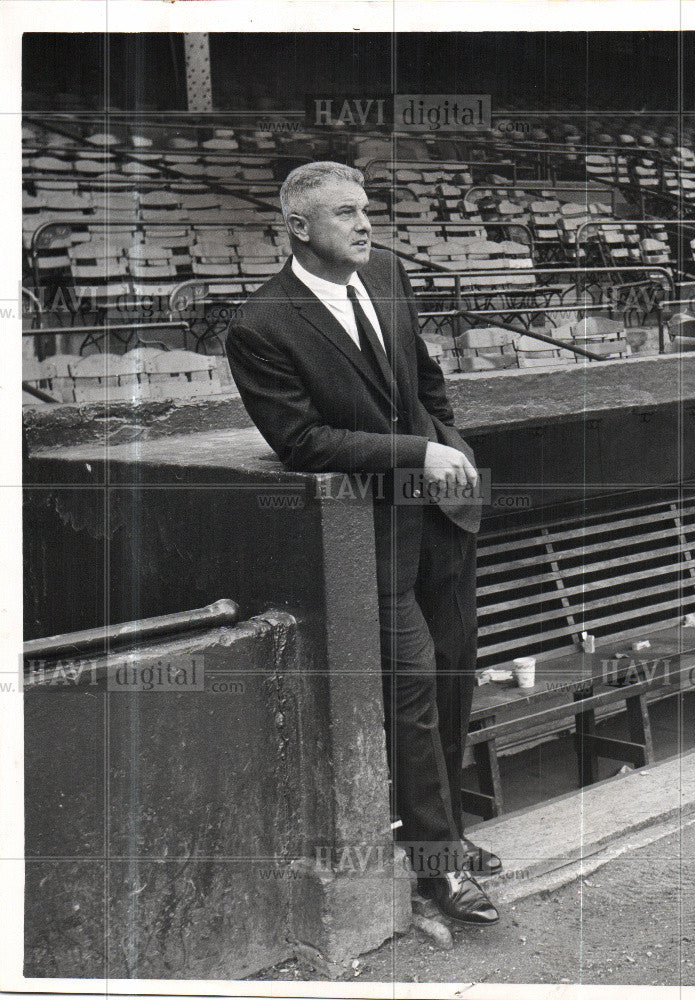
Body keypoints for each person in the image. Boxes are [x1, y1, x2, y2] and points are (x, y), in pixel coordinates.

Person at [225, 161, 500, 924]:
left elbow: (424, 378)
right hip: (372, 538)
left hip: (440, 518)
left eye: (365, 210)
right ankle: (435, 869)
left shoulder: (384, 272)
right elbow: (302, 440)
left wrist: (450, 446)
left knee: (451, 680)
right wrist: (416, 454)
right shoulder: (261, 324)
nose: (364, 223)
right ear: (297, 228)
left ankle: (447, 836)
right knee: (411, 693)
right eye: (344, 213)